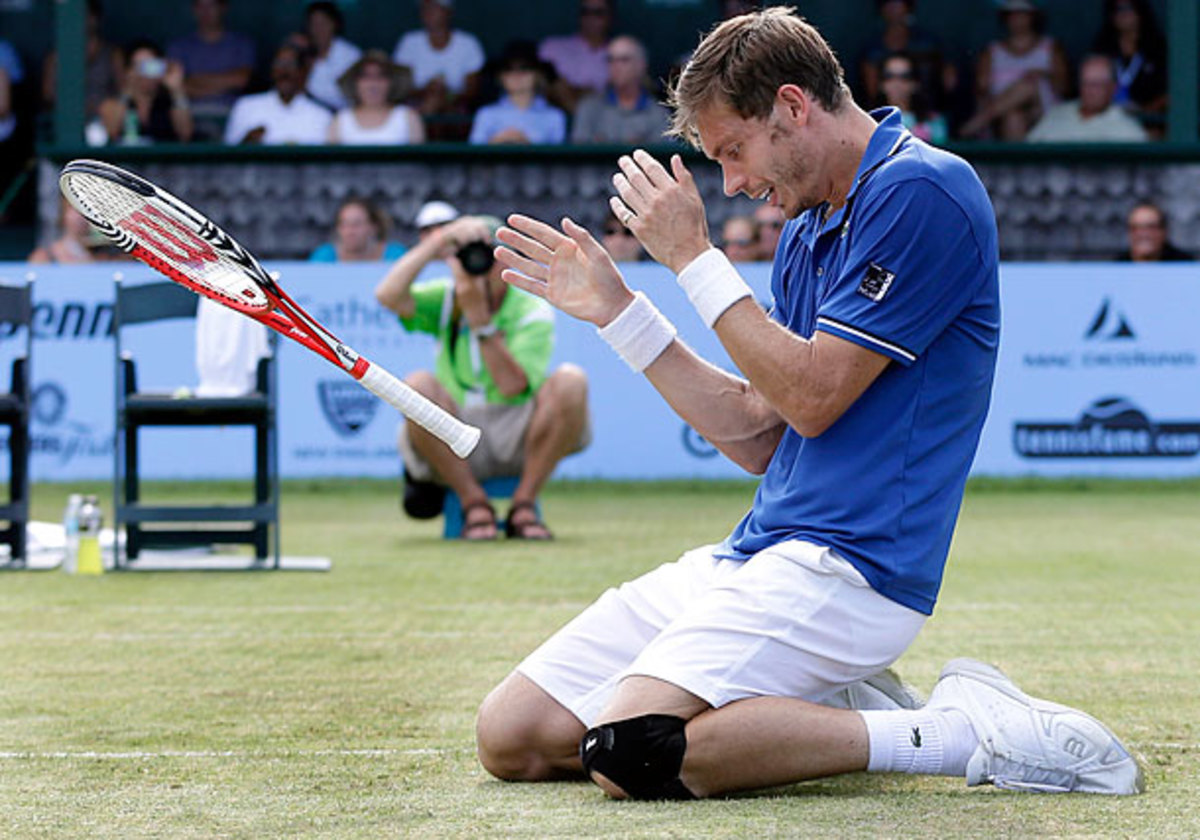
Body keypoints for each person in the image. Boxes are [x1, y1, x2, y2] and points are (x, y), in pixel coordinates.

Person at [480, 8, 1142, 801]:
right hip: (762, 551)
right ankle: (819, 700)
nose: (733, 183)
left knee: (628, 749)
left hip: (858, 569)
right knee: (511, 735)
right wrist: (624, 315)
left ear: (793, 106)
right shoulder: (806, 224)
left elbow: (816, 397)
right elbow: (768, 432)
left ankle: (962, 729)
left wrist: (693, 256)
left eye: (732, 151)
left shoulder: (923, 190)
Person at [374, 215, 590, 541]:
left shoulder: (529, 307)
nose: (481, 268)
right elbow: (387, 296)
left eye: (489, 258)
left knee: (572, 381)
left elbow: (513, 385)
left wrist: (480, 322)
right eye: (471, 257)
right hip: (455, 432)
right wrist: (439, 241)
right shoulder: (447, 297)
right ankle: (472, 503)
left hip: (518, 430)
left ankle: (524, 505)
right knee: (416, 386)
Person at [958, 0, 1070, 141]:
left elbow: (1062, 88)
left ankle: (977, 123)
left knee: (1030, 83)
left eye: (1022, 13)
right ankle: (1021, 162)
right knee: (1014, 117)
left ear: (1033, 16)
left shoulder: (1050, 47)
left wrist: (1043, 75)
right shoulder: (992, 52)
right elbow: (982, 91)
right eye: (1012, 14)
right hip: (1000, 122)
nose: (1017, 19)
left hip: (1044, 114)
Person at [391, 0, 485, 140]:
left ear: (448, 12)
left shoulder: (468, 43)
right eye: (424, 9)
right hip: (418, 107)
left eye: (434, 8)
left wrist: (445, 95)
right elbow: (401, 87)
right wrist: (428, 90)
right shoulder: (409, 42)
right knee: (429, 106)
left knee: (443, 109)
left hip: (455, 108)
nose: (428, 13)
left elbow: (472, 90)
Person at [167, 0, 256, 139]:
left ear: (223, 8)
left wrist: (194, 81)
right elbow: (177, 84)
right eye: (200, 6)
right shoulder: (179, 46)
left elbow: (241, 80)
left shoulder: (241, 43)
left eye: (211, 5)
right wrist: (225, 82)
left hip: (231, 112)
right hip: (190, 113)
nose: (206, 12)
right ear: (193, 10)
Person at [223, 41, 331, 145]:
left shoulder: (321, 116)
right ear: (271, 70)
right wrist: (247, 142)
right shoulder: (246, 107)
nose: (284, 71)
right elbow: (226, 159)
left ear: (302, 71)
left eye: (291, 64)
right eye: (279, 64)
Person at [571, 35, 670, 146]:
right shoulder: (589, 108)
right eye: (610, 60)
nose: (616, 66)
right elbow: (579, 158)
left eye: (624, 60)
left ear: (641, 65)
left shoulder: (658, 114)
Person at [1027, 55, 1148, 143]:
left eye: (1096, 84)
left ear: (1112, 88)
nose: (1089, 91)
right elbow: (1029, 150)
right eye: (1085, 83)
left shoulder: (1127, 130)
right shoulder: (1057, 113)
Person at [1090, 0, 1167, 135]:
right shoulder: (1103, 47)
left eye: (1129, 8)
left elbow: (1172, 92)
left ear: (1140, 12)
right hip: (1106, 119)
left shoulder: (1157, 49)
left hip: (1148, 122)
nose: (1123, 13)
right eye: (1118, 9)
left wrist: (1145, 111)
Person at [469, 42, 566, 146]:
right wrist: (496, 142)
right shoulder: (486, 114)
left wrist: (527, 146)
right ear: (500, 77)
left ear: (538, 75)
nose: (516, 75)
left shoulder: (554, 116)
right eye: (508, 69)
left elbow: (559, 159)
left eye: (524, 68)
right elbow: (473, 155)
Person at [97, 40, 194, 144]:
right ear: (128, 70)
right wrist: (128, 90)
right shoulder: (113, 103)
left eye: (152, 65)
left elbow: (185, 134)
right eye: (139, 66)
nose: (146, 73)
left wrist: (176, 90)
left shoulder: (170, 103)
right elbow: (112, 132)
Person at [41, 0, 121, 125]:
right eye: (80, 15)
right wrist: (77, 107)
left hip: (106, 118)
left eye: (89, 15)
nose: (85, 20)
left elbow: (122, 90)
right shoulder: (56, 56)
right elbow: (48, 94)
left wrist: (103, 107)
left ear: (96, 18)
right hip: (68, 120)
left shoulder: (112, 54)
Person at [328, 50, 423, 145]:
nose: (373, 84)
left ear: (391, 82)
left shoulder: (408, 117)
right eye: (366, 76)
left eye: (380, 76)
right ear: (355, 83)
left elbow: (419, 158)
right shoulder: (341, 120)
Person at [538, 0, 614, 114]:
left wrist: (574, 90)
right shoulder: (552, 47)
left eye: (598, 13)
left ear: (611, 18)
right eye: (585, 12)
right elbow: (540, 87)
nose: (590, 18)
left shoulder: (621, 56)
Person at [876, 51, 947, 145]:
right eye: (889, 76)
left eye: (905, 77)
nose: (896, 83)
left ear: (915, 83)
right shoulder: (869, 121)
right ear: (881, 84)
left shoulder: (934, 122)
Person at [303, 1, 362, 111]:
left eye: (323, 23)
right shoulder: (303, 51)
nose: (318, 29)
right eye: (314, 24)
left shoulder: (350, 55)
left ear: (335, 25)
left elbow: (352, 97)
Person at [309, 196, 407, 262]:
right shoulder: (324, 257)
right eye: (344, 224)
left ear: (373, 227)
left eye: (357, 224)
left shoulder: (395, 256)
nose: (350, 231)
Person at [1114, 201, 1193, 262]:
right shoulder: (1117, 267)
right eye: (1136, 228)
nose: (1143, 234)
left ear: (1164, 231)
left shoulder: (1184, 265)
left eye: (1151, 227)